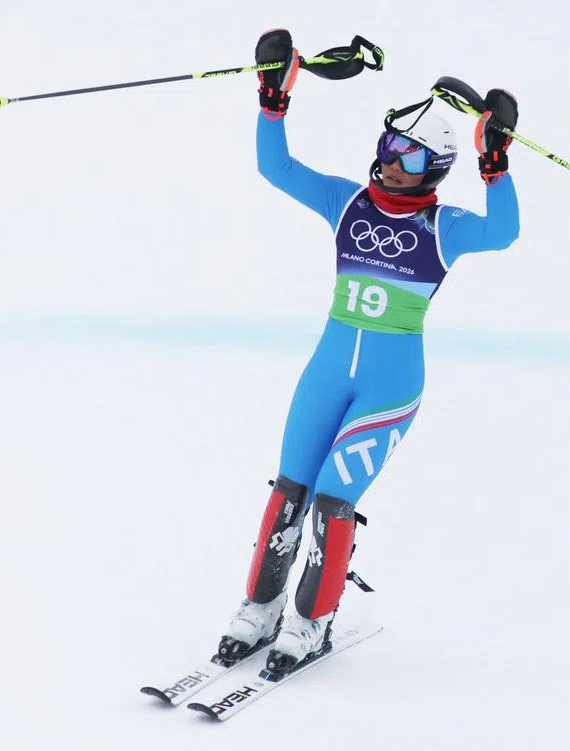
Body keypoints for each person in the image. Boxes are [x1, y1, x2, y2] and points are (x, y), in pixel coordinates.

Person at [217, 28, 521, 679]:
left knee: (332, 501)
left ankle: (310, 622)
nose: (391, 164)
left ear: (435, 170)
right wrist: (273, 100)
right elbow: (276, 169)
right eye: (389, 149)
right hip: (326, 374)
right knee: (289, 492)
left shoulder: (444, 228)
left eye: (410, 158)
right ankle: (259, 610)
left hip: (387, 389)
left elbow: (504, 231)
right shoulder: (348, 202)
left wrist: (495, 163)